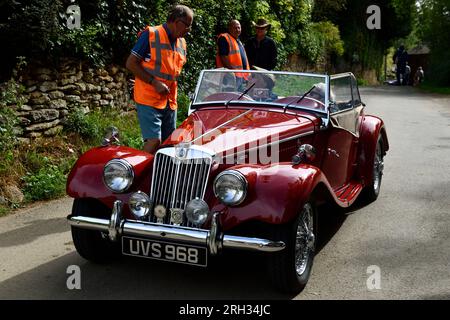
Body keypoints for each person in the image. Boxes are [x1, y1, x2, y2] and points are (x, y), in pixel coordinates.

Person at [126, 5, 194, 154]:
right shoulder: (151, 34)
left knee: (170, 143)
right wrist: (154, 82)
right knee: (154, 141)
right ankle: (138, 174)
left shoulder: (181, 42)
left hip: (169, 100)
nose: (189, 30)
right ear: (177, 22)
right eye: (187, 26)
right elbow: (131, 63)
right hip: (149, 97)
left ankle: (162, 175)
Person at [216, 19, 250, 89]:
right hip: (230, 77)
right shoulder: (224, 38)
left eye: (239, 27)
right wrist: (232, 72)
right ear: (229, 28)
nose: (237, 30)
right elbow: (223, 57)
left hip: (241, 77)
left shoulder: (238, 41)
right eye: (235, 28)